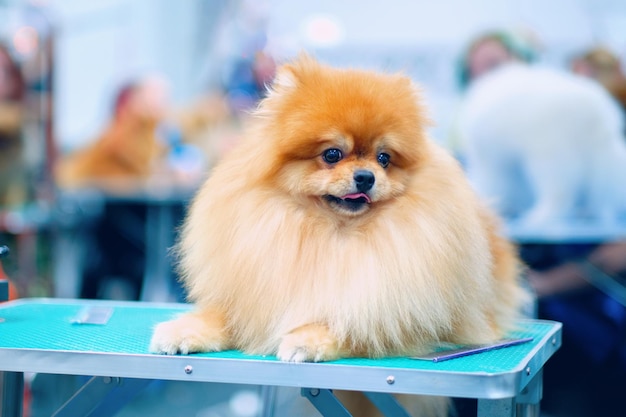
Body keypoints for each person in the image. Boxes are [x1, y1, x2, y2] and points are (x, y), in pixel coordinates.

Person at [456, 30, 626, 417]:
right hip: (515, 316)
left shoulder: (577, 117)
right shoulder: (481, 139)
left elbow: (618, 250)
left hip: (584, 319)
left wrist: (546, 284)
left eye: (496, 65)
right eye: (477, 70)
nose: (490, 78)